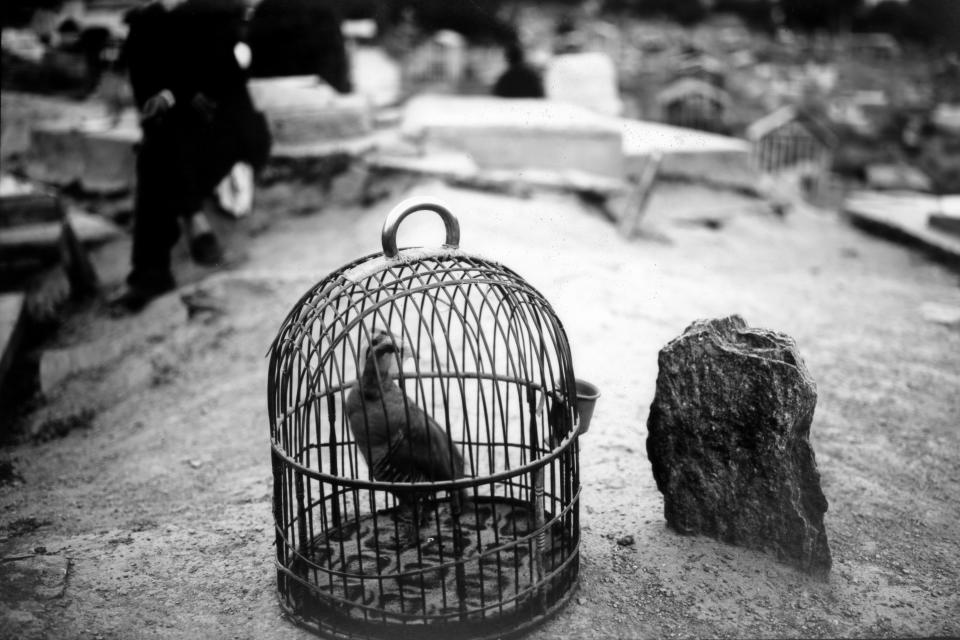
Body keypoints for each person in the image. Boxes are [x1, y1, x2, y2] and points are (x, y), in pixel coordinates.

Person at [110, 0, 271, 313]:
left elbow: (227, 78)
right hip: (178, 132)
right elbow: (145, 91)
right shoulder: (146, 22)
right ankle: (192, 220)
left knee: (158, 156)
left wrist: (175, 93)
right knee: (158, 149)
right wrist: (172, 97)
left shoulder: (213, 12)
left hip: (226, 128)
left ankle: (152, 271)